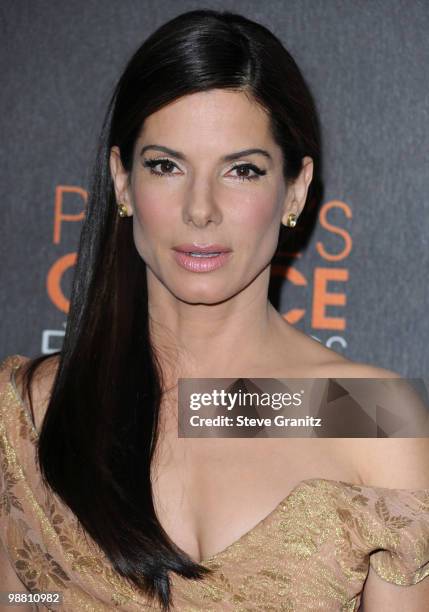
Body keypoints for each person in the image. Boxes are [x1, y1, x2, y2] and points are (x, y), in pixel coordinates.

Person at [1, 8, 428, 611]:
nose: (200, 209)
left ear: (296, 191)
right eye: (166, 166)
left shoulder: (370, 417)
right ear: (122, 181)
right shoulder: (30, 411)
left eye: (242, 170)